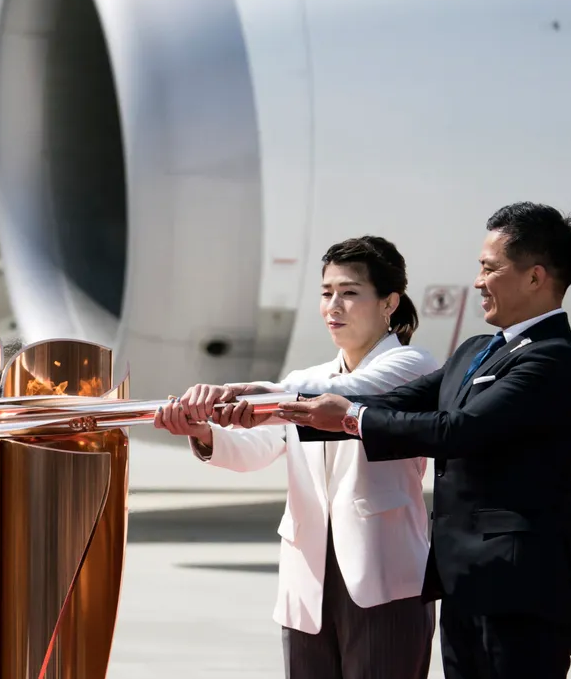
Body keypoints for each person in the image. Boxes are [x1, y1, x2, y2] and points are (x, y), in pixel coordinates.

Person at [276, 202, 571, 679]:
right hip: (464, 585)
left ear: (535, 277)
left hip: (523, 591)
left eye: (490, 268)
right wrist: (286, 408)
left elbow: (461, 431)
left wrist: (352, 417)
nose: (478, 281)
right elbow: (398, 399)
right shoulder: (476, 351)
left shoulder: (554, 359)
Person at [155, 235, 439, 678]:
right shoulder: (305, 379)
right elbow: (255, 451)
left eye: (349, 293)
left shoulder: (412, 366)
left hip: (385, 577)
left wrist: (249, 392)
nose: (333, 307)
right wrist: (203, 431)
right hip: (308, 578)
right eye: (326, 294)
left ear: (390, 303)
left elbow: (349, 396)